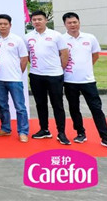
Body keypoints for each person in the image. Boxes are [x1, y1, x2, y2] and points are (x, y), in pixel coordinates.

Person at [61, 12, 107, 148]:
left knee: (96, 108)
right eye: (69, 23)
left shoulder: (90, 38)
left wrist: (86, 68)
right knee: (74, 108)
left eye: (75, 22)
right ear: (65, 24)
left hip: (88, 81)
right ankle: (80, 133)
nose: (73, 25)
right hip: (69, 81)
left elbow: (95, 55)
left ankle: (105, 137)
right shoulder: (61, 39)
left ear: (79, 22)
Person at [25, 10, 70, 145]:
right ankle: (44, 129)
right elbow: (28, 55)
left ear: (46, 20)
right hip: (36, 75)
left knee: (57, 104)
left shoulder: (56, 35)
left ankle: (61, 132)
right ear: (31, 22)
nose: (37, 22)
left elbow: (64, 54)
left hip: (54, 75)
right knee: (40, 104)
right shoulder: (27, 37)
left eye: (40, 19)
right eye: (34, 20)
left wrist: (59, 68)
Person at [0, 14, 29, 143]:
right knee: (3, 105)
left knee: (20, 107)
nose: (3, 26)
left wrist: (17, 72)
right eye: (0, 24)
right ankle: (5, 128)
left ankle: (23, 131)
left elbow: (24, 59)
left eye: (5, 24)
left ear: (10, 25)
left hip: (15, 79)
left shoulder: (17, 40)